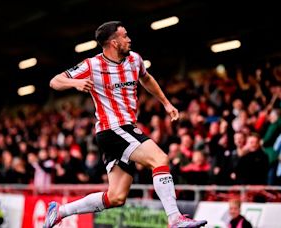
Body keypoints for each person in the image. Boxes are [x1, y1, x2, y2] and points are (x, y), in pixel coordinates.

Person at [44, 21, 207, 228]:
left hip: (121, 130)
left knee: (116, 197)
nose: (129, 39)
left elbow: (146, 79)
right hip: (113, 128)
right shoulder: (93, 65)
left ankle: (60, 211)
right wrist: (75, 82)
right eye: (125, 36)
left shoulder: (135, 60)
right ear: (113, 42)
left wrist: (166, 103)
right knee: (160, 158)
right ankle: (174, 218)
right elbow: (55, 81)